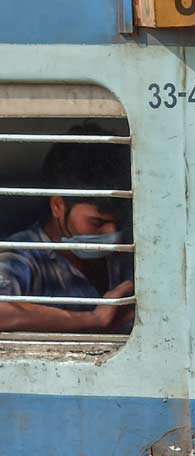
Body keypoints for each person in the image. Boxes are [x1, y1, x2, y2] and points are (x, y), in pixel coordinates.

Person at [0, 129, 133, 332]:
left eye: (118, 223)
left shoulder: (125, 257)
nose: (112, 233)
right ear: (58, 206)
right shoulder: (20, 256)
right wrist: (93, 320)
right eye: (97, 223)